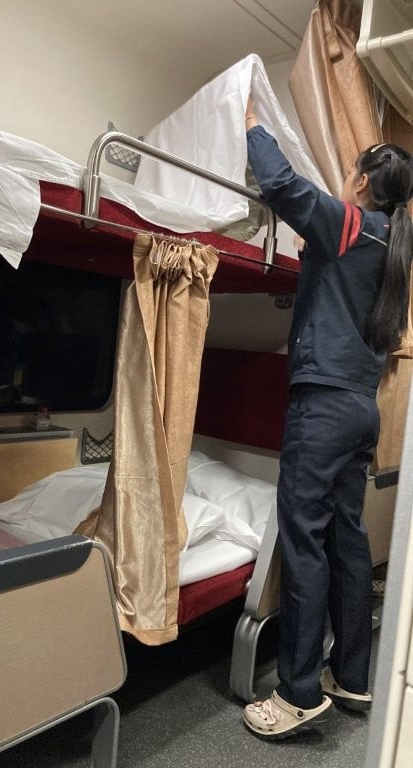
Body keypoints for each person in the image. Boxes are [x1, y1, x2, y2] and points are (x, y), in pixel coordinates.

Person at [242, 98, 413, 740]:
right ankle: (355, 675)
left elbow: (281, 184)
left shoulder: (348, 224)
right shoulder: (393, 238)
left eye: (351, 172)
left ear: (363, 182)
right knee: (347, 539)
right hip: (361, 408)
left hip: (322, 406)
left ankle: (298, 693)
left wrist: (254, 124)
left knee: (303, 541)